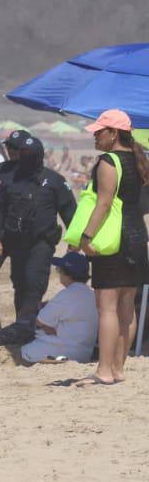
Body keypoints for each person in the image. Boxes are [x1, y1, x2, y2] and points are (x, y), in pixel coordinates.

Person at [72, 111, 149, 386]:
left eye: (99, 131)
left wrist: (85, 236)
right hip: (137, 236)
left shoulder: (108, 161)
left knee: (107, 308)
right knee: (127, 307)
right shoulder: (139, 160)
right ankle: (118, 368)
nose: (95, 135)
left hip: (114, 239)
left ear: (113, 133)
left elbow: (103, 204)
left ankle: (104, 370)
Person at [0, 135, 75, 343]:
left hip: (41, 243)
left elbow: (70, 212)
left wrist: (74, 240)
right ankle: (22, 324)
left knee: (34, 282)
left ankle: (28, 325)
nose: (25, 159)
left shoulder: (54, 181)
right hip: (16, 242)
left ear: (39, 156)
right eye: (22, 154)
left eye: (30, 155)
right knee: (20, 283)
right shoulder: (10, 179)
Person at [0, 253, 96, 363]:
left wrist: (46, 326)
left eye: (59, 270)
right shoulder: (92, 295)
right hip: (82, 355)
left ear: (67, 274)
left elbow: (40, 321)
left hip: (54, 353)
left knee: (10, 340)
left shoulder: (66, 295)